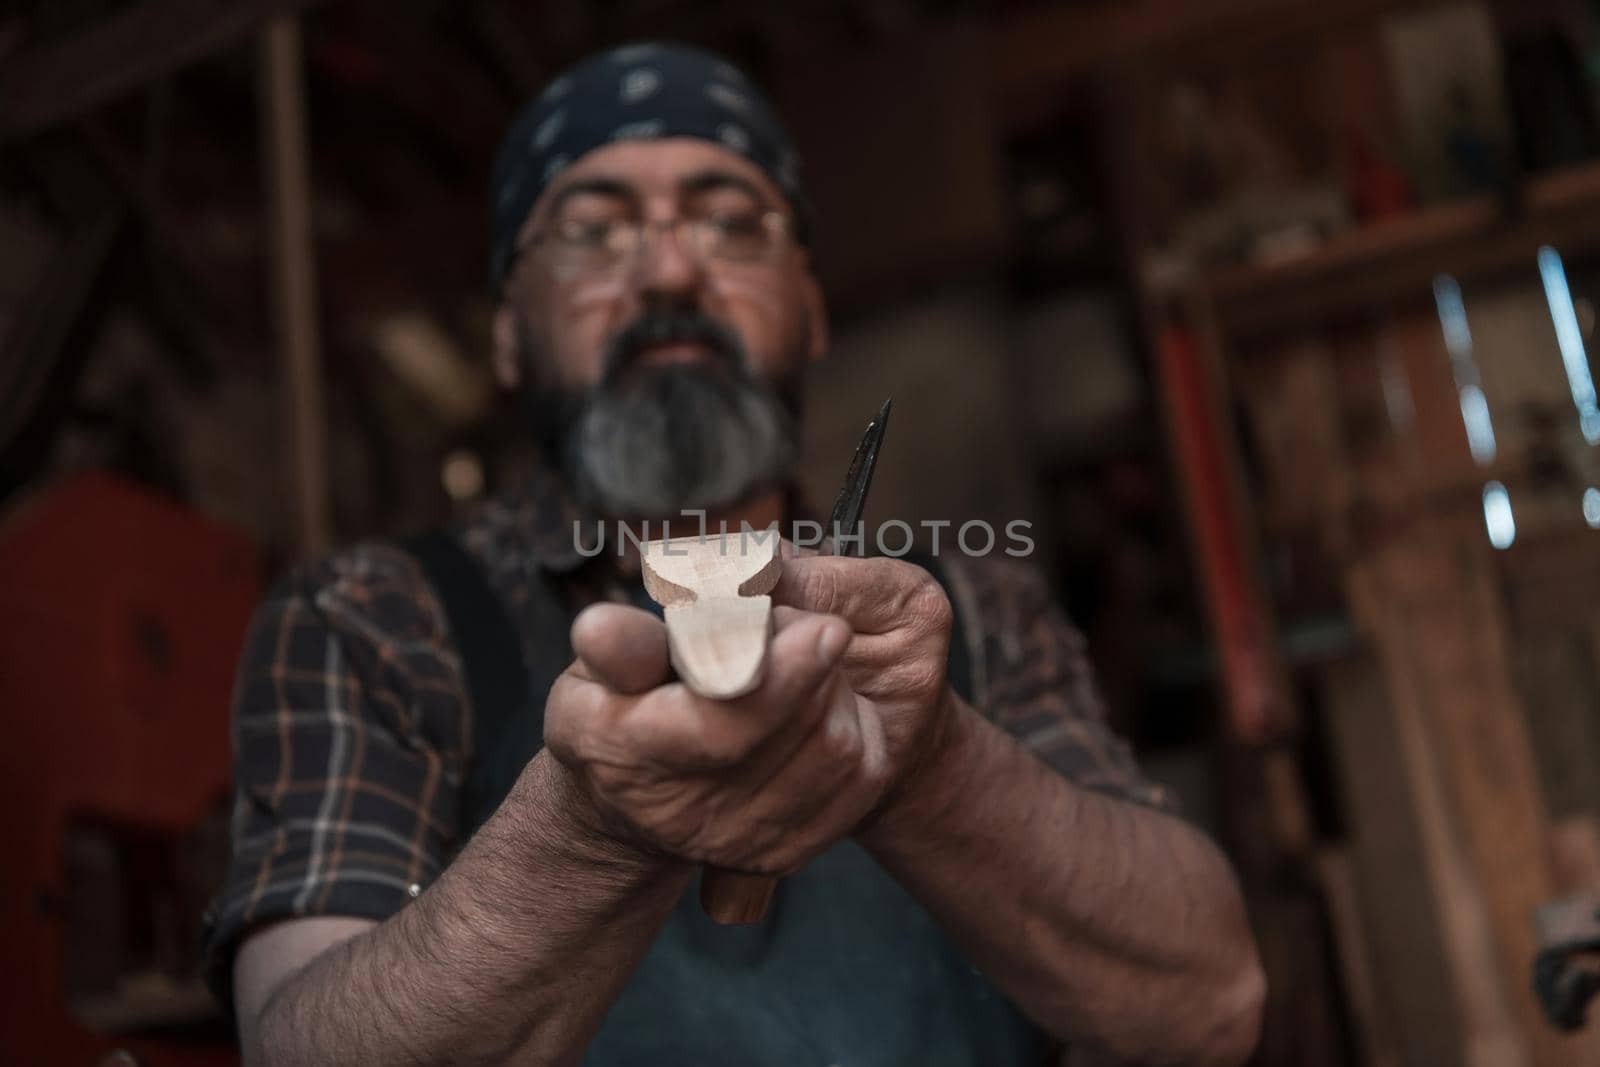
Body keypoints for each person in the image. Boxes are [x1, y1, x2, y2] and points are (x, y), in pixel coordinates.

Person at [204, 42, 1264, 1067]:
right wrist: (587, 833)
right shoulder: (373, 614)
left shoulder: (973, 604)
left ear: (808, 310)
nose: (668, 270)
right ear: (509, 334)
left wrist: (931, 764)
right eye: (591, 233)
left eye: (729, 223)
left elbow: (1210, 1002)